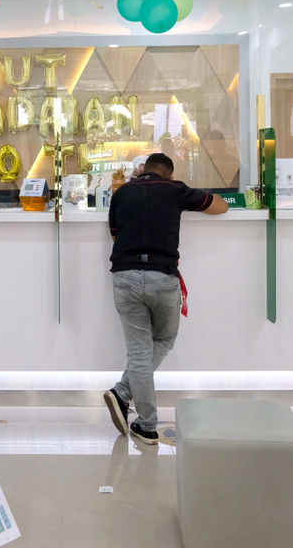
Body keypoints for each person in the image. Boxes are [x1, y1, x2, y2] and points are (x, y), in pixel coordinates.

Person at [102, 152, 228, 444]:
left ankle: (125, 395)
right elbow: (219, 206)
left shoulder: (121, 194)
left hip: (124, 275)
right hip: (162, 275)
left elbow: (114, 235)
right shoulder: (176, 190)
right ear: (169, 174)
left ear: (143, 169)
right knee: (164, 341)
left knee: (139, 352)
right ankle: (143, 421)